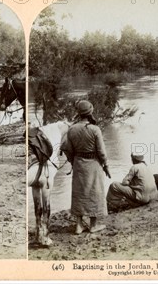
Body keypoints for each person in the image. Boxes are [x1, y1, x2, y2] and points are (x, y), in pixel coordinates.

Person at [61, 100, 110, 234]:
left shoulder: (71, 129)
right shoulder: (95, 129)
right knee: (94, 192)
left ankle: (78, 225)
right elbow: (101, 152)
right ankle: (93, 225)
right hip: (93, 164)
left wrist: (73, 161)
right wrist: (106, 165)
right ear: (90, 112)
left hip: (78, 163)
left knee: (79, 193)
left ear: (79, 113)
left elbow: (67, 149)